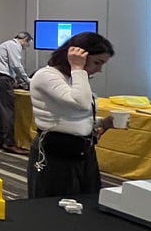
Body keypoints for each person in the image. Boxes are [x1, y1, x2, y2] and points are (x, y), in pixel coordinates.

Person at [27, 32, 116, 198]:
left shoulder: (73, 78)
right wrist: (78, 68)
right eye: (97, 63)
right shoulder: (47, 76)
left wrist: (101, 123)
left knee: (88, 201)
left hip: (82, 151)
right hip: (56, 152)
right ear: (80, 56)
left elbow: (72, 116)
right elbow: (81, 103)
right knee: (54, 204)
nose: (99, 69)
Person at [0, 31, 33, 154]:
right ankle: (9, 143)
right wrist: (27, 80)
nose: (25, 48)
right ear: (24, 39)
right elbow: (16, 65)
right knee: (8, 112)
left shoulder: (3, 45)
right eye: (27, 44)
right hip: (3, 80)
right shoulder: (14, 45)